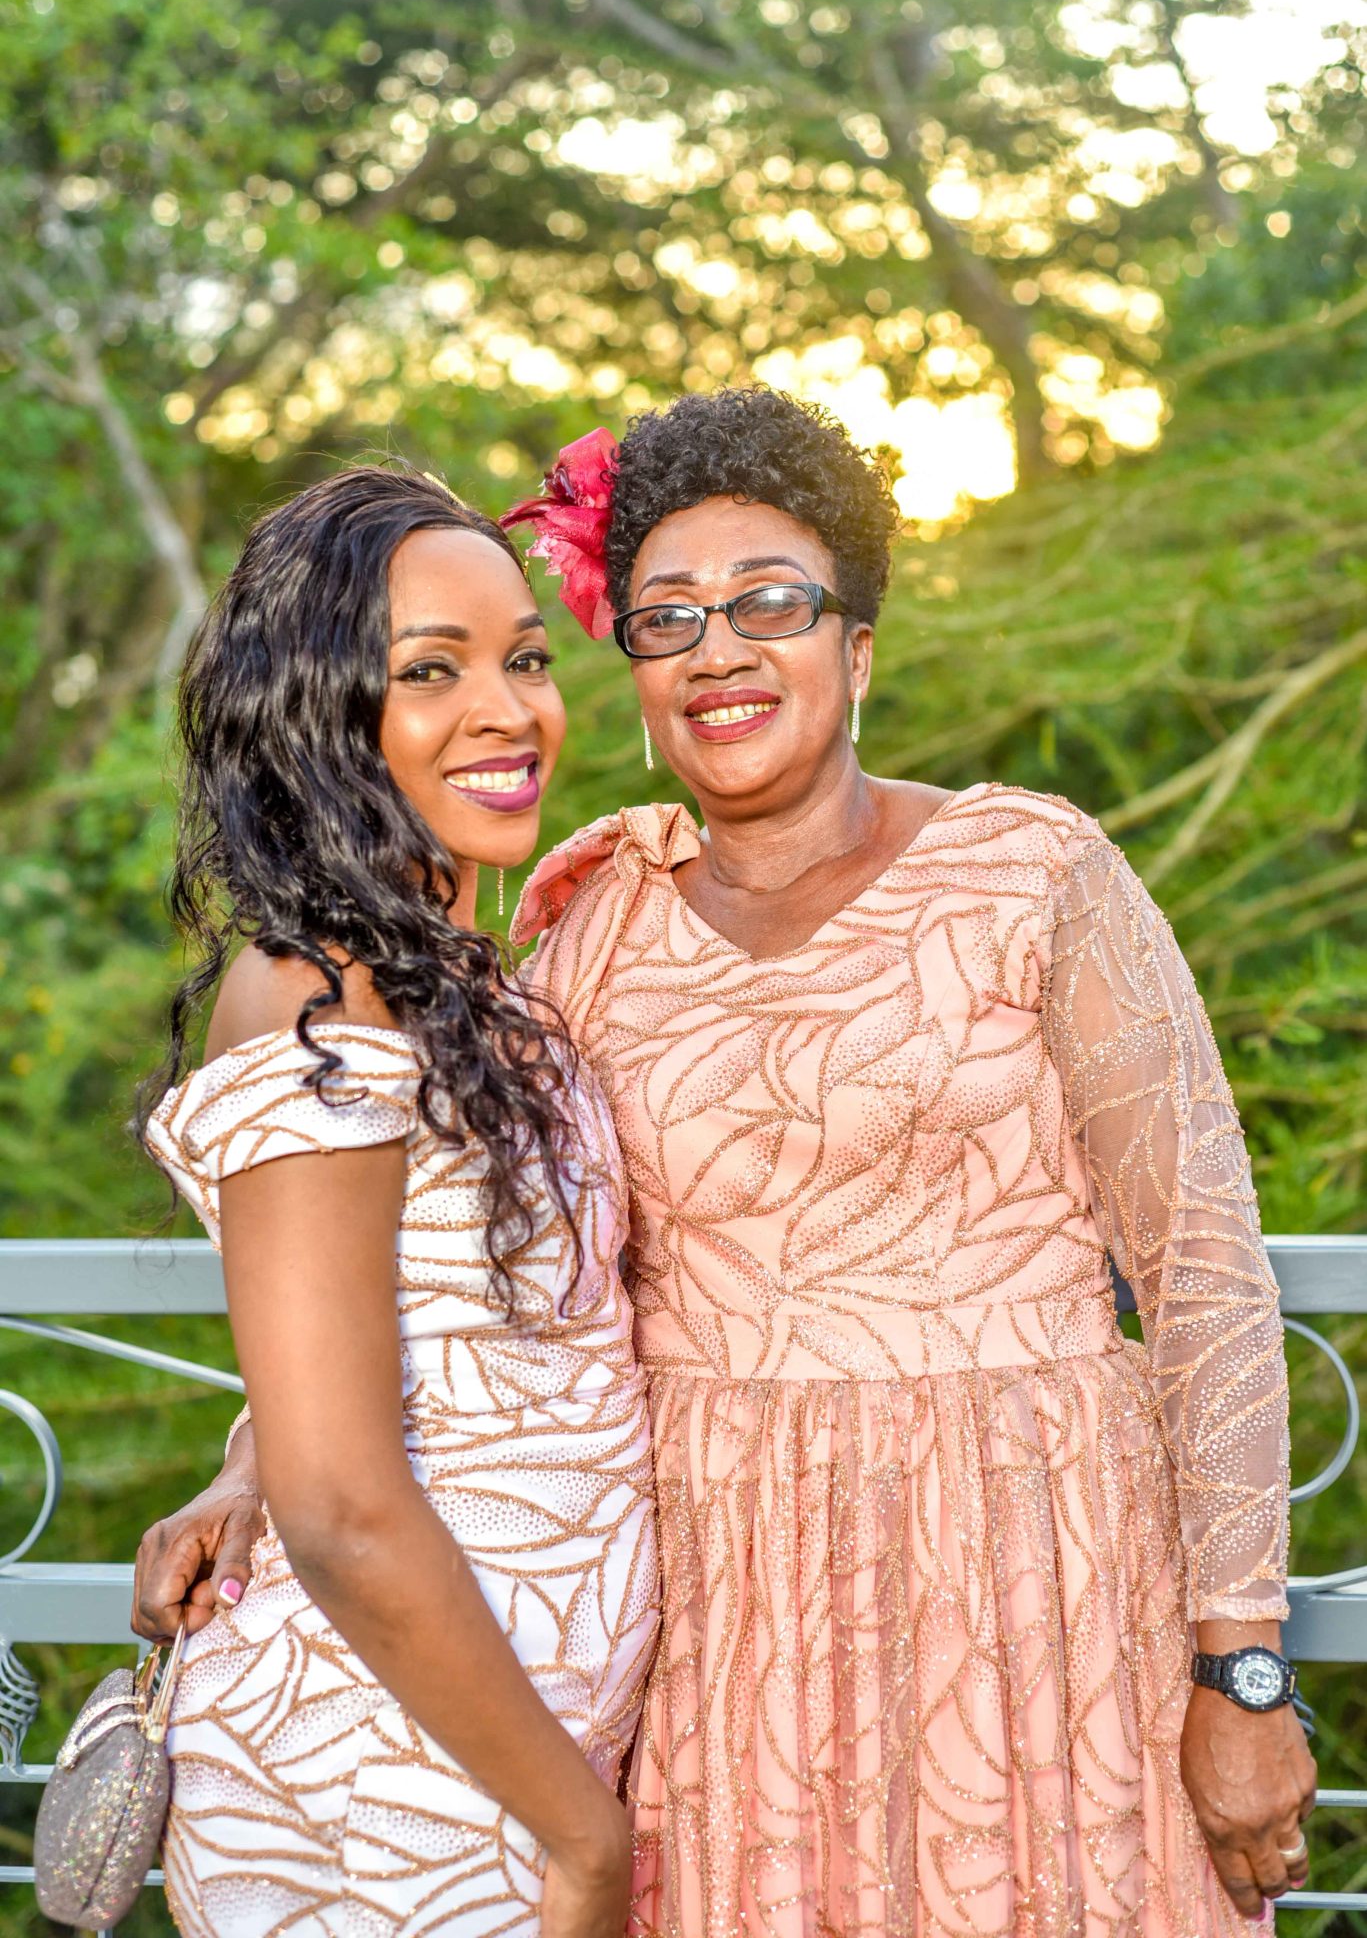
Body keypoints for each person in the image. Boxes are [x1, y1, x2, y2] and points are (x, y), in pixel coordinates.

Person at [137, 393, 1316, 1937]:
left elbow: (1207, 1274)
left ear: (858, 649)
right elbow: (457, 1252)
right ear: (637, 668)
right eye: (668, 617)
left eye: (771, 604)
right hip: (728, 1635)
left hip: (1045, 1585)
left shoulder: (1034, 873)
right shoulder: (588, 922)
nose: (719, 649)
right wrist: (261, 1464)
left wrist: (1242, 1662)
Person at [134, 467, 659, 1938]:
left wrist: (246, 1463)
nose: (508, 710)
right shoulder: (314, 991)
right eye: (431, 671)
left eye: (526, 659)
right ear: (321, 713)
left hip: (495, 1756)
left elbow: (413, 1323)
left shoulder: (461, 982)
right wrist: (585, 1841)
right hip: (394, 1779)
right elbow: (344, 1504)